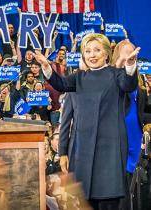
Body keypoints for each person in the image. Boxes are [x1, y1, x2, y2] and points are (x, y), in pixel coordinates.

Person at [34, 33, 140, 209]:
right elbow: (59, 84)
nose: (92, 55)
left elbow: (129, 84)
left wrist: (130, 66)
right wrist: (46, 67)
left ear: (106, 53)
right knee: (83, 201)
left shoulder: (117, 75)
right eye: (88, 51)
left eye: (97, 50)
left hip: (110, 151)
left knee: (109, 200)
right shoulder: (78, 78)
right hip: (82, 153)